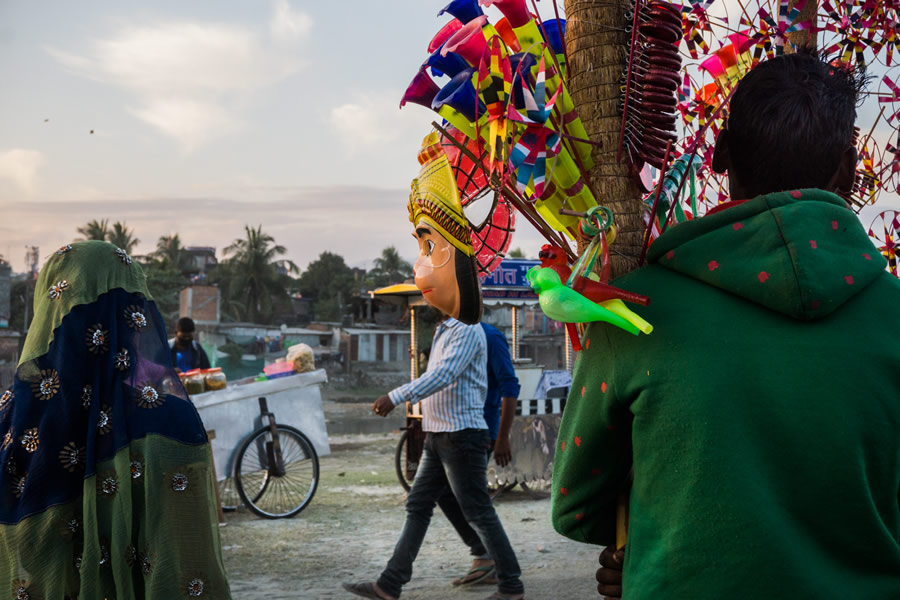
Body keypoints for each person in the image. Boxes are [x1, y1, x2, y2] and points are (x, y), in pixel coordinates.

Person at [551, 49, 900, 599]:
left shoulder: (632, 312)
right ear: (850, 169)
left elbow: (576, 506)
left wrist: (657, 542)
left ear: (720, 156)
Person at [343, 130, 524, 600]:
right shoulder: (445, 329)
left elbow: (441, 377)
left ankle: (511, 582)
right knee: (420, 505)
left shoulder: (465, 329)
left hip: (462, 436)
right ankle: (390, 584)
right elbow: (438, 377)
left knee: (479, 510)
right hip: (441, 435)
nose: (424, 271)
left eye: (431, 251)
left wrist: (395, 396)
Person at [0, 240, 231, 599]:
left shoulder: (10, 424)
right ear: (135, 316)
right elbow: (184, 567)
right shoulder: (173, 423)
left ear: (49, 310)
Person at [441, 321, 520, 587]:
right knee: (446, 494)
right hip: (450, 430)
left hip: (479, 430)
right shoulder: (447, 332)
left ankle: (498, 567)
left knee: (474, 503)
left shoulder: (490, 336)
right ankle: (484, 555)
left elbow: (509, 386)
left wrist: (503, 437)